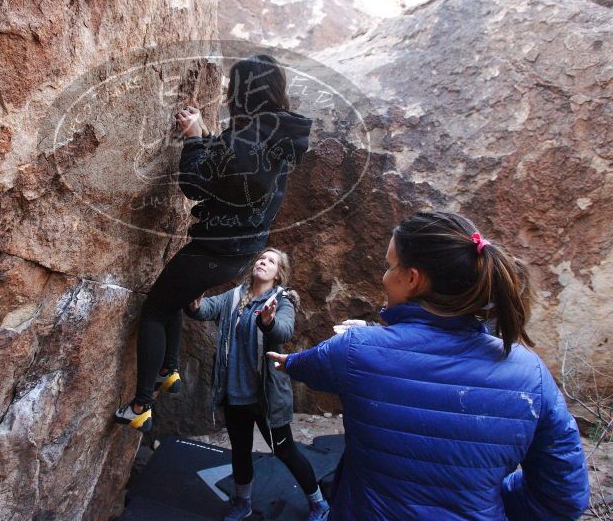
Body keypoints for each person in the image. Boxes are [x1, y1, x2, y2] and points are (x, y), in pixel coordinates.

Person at [268, 211, 590, 520]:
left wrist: (288, 363)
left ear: (412, 279)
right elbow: (565, 496)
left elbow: (312, 365)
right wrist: (486, 502)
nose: (384, 276)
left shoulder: (355, 349)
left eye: (389, 265)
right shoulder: (529, 372)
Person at [115, 55, 313, 431]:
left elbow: (196, 184)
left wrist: (193, 140)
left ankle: (141, 404)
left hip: (214, 249)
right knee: (174, 296)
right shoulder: (276, 133)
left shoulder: (246, 136)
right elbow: (234, 174)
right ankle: (169, 369)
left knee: (155, 311)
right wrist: (206, 135)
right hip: (239, 250)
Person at [186, 247, 330, 521]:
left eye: (271, 261)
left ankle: (318, 502)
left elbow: (284, 330)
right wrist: (193, 302)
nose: (263, 262)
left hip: (266, 397)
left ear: (278, 275)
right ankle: (243, 503)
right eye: (261, 258)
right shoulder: (234, 297)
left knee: (285, 451)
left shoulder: (282, 300)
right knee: (240, 451)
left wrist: (269, 322)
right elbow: (205, 309)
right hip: (234, 394)